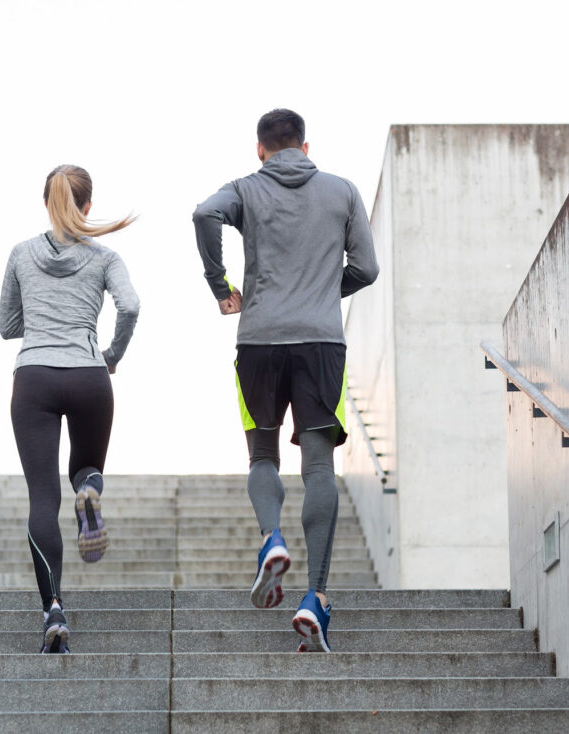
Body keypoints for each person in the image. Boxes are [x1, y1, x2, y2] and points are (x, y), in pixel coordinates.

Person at [192, 109, 379, 652]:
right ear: (305, 144)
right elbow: (365, 269)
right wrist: (322, 290)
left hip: (258, 341)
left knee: (262, 456)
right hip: (322, 342)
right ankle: (313, 597)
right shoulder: (342, 191)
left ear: (260, 149)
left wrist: (219, 284)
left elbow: (204, 214)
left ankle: (271, 538)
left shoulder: (245, 189)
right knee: (319, 464)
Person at [0, 164, 140, 654]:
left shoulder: (21, 254)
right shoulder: (105, 257)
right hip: (89, 374)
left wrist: (42, 319)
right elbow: (131, 306)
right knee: (85, 467)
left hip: (34, 376)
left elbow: (6, 325)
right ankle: (90, 490)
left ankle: (54, 609)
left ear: (46, 203)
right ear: (88, 206)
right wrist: (112, 355)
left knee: (42, 499)